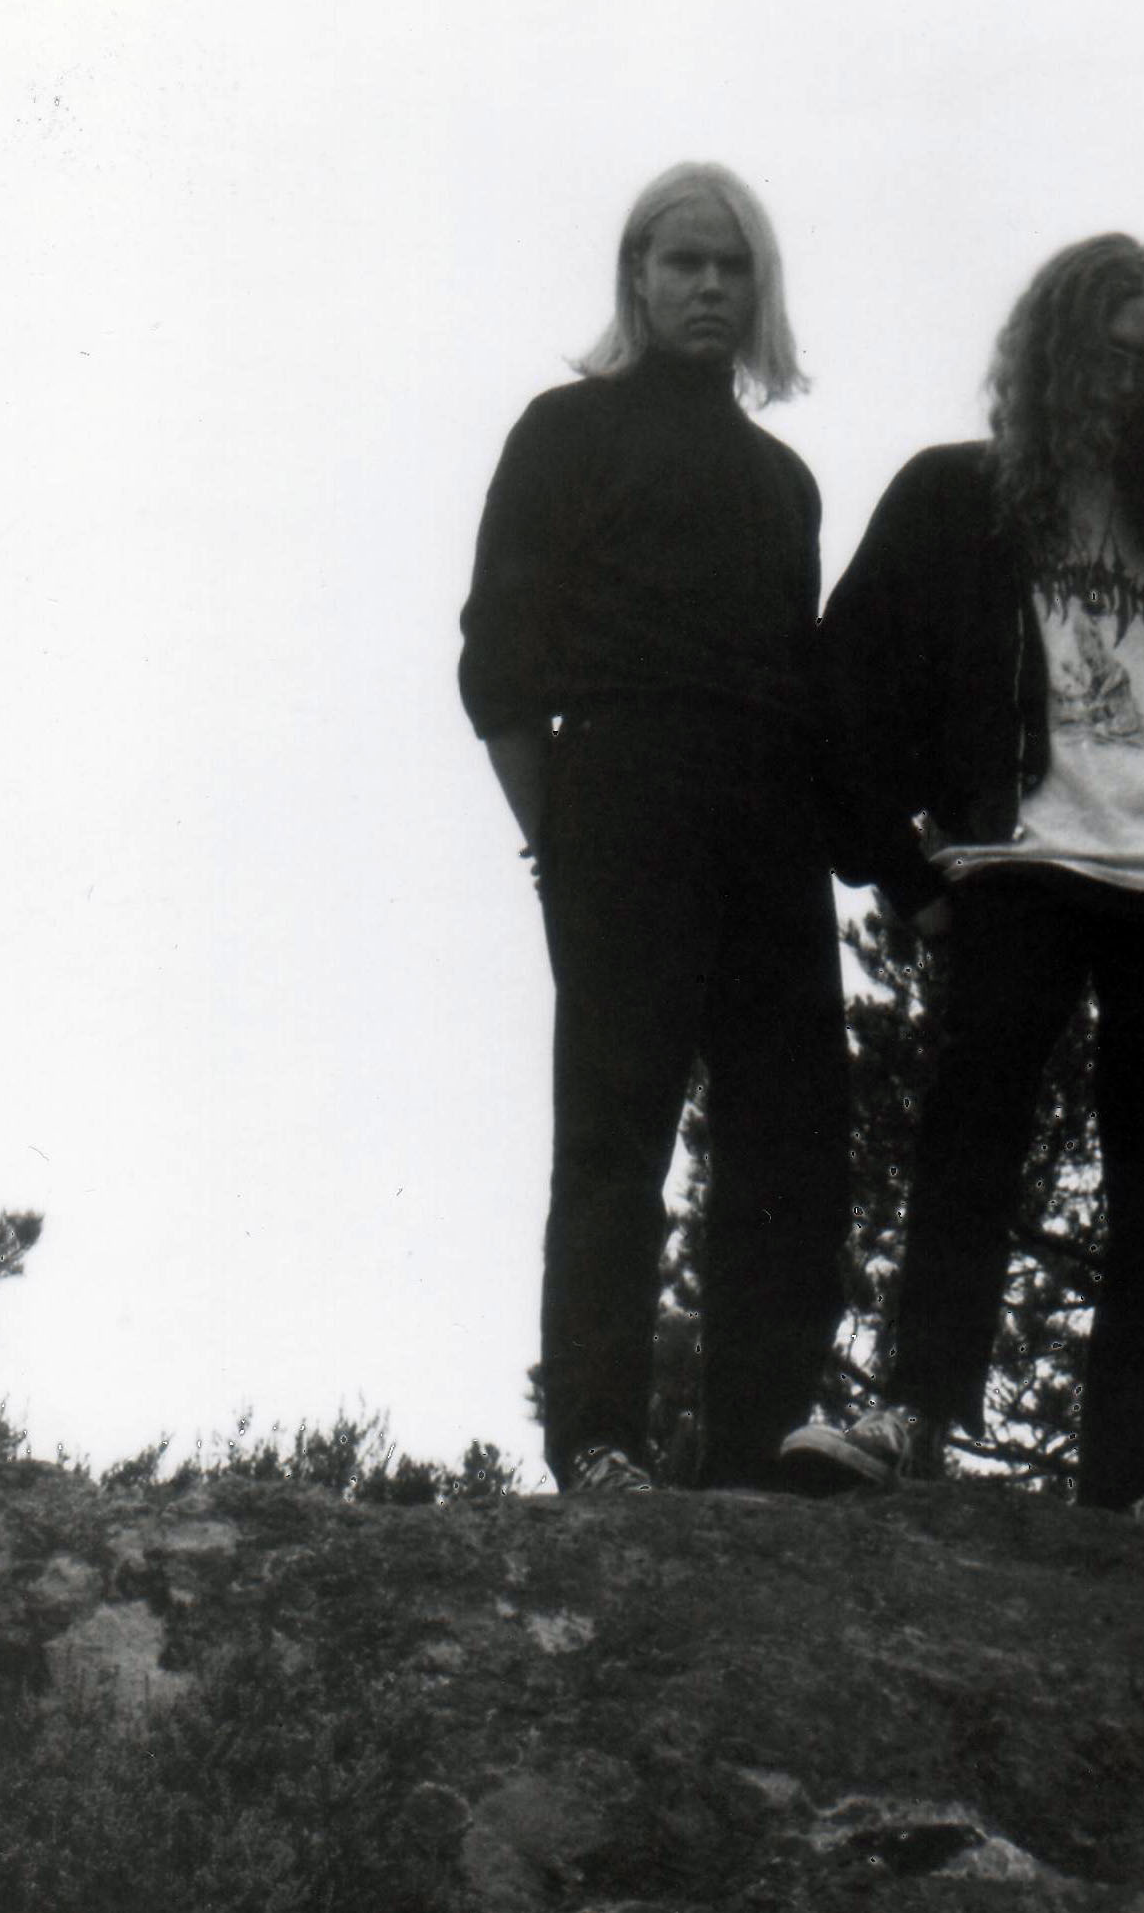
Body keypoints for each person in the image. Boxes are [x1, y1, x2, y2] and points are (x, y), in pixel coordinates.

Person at [786, 234, 1144, 1509]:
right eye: (1105, 358)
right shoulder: (954, 500)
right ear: (1048, 360)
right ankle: (917, 1414)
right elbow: (839, 691)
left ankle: (1121, 1482)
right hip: (1016, 866)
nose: (1127, 388)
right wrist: (900, 871)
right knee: (972, 1134)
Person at [457, 161, 851, 1496]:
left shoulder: (786, 482)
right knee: (617, 1125)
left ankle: (753, 1445)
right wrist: (559, 840)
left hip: (774, 813)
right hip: (624, 784)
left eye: (732, 267)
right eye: (684, 262)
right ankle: (600, 1438)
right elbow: (499, 666)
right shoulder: (567, 431)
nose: (709, 287)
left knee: (788, 1128)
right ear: (637, 275)